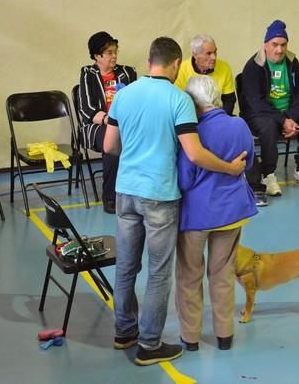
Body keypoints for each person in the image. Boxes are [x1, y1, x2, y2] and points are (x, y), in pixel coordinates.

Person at [103, 37, 247, 366]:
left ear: (149, 59)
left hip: (126, 190)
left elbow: (109, 146)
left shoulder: (123, 95)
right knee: (158, 272)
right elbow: (194, 154)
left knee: (126, 266)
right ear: (175, 63)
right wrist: (230, 168)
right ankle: (150, 344)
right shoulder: (178, 99)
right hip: (160, 196)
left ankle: (124, 331)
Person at [175, 75, 257, 352]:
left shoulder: (192, 133)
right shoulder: (239, 124)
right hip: (232, 211)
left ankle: (190, 337)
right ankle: (224, 334)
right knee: (222, 273)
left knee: (189, 275)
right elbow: (250, 163)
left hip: (196, 216)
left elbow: (184, 179)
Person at [240, 20, 299, 203]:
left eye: (283, 45)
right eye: (274, 45)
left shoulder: (292, 62)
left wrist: (289, 118)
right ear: (265, 45)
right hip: (261, 114)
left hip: (287, 112)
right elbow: (255, 102)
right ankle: (268, 174)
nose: (279, 50)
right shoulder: (253, 66)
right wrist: (283, 120)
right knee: (268, 127)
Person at [77, 31, 137, 214]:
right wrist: (109, 120)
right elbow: (86, 109)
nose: (114, 56)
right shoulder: (88, 74)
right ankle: (110, 197)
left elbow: (136, 100)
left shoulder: (127, 72)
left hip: (127, 124)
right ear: (97, 56)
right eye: (109, 52)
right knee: (113, 140)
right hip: (97, 125)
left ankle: (138, 193)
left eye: (115, 51)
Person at [174, 34, 236, 116]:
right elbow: (178, 103)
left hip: (218, 116)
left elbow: (229, 100)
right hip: (191, 117)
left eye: (215, 52)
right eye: (209, 53)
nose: (214, 57)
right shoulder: (181, 69)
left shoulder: (224, 67)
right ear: (195, 54)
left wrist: (220, 119)